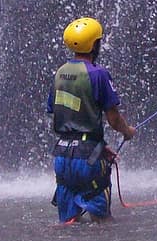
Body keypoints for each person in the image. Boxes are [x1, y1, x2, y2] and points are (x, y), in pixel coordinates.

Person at [46, 17, 136, 223]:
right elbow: (113, 119)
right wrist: (127, 132)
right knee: (102, 221)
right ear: (94, 45)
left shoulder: (60, 73)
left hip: (61, 155)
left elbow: (60, 112)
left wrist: (98, 146)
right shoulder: (98, 74)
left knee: (68, 223)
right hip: (88, 159)